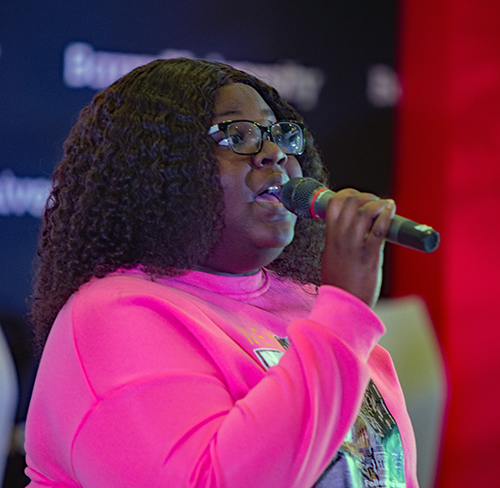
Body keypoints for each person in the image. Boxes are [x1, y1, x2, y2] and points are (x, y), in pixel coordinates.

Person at [24, 58, 418, 487]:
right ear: (163, 169)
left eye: (277, 134)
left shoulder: (309, 306)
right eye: (239, 136)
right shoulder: (113, 316)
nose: (274, 153)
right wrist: (344, 313)